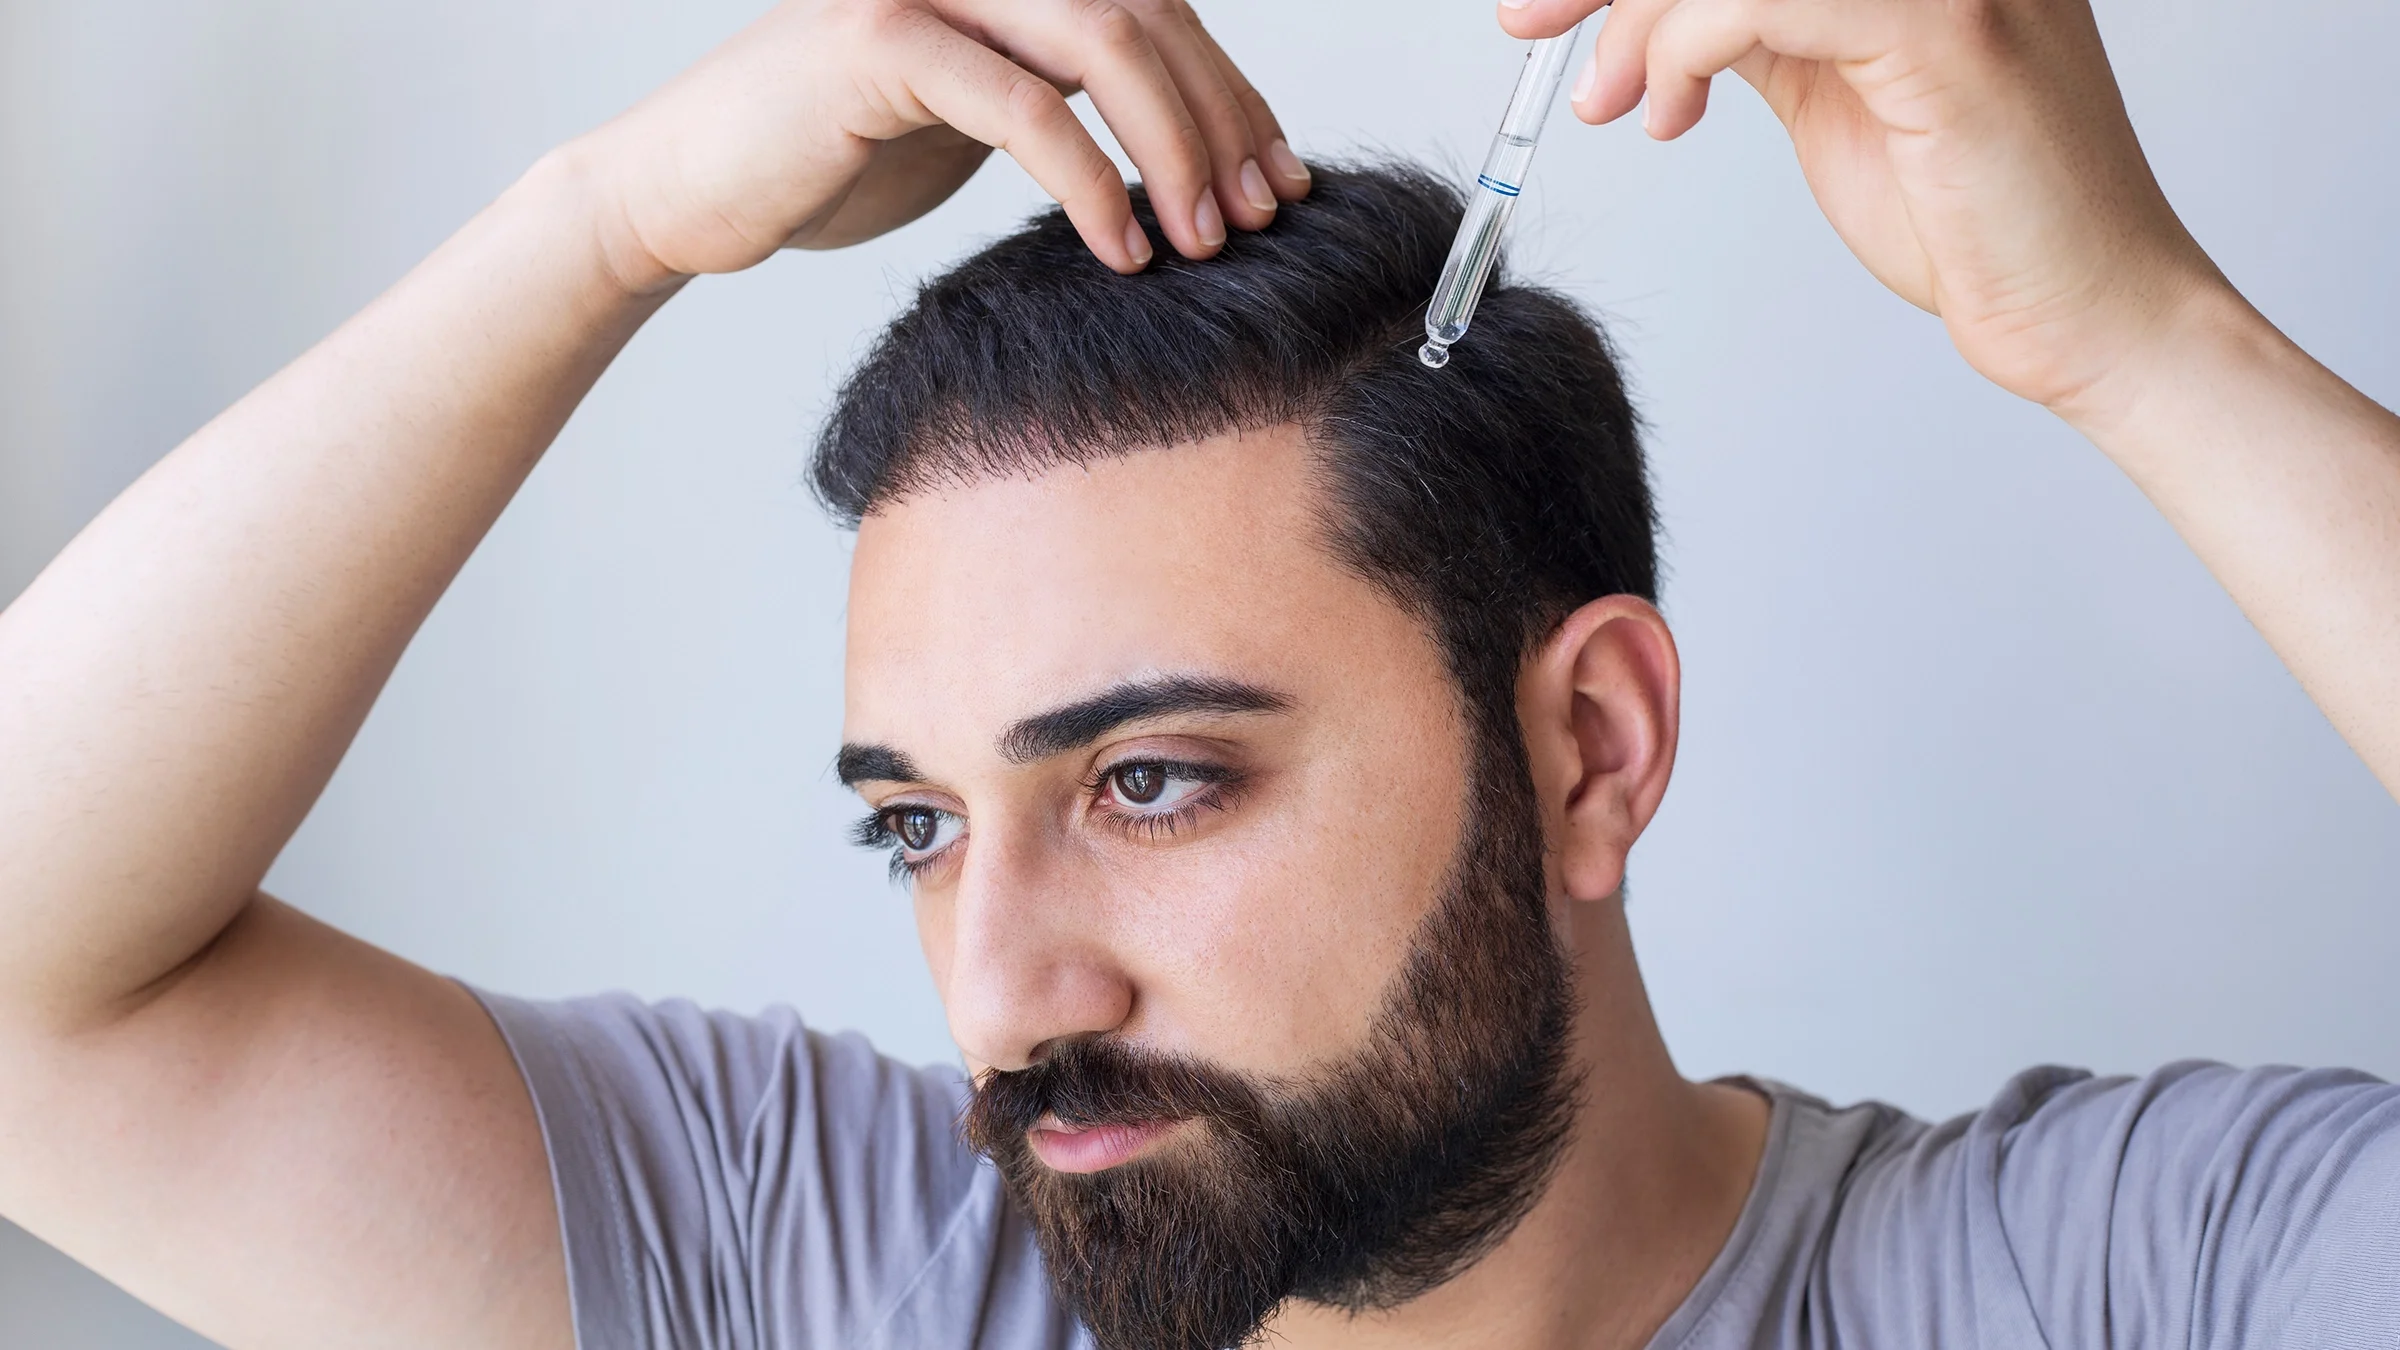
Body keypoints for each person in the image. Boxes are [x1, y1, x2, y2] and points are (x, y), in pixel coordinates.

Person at [0, 0, 2395, 1348]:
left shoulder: (2130, 1288)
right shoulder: (841, 1272)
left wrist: (2136, 337)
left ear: (1590, 744)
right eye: (917, 826)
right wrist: (605, 228)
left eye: (1149, 782)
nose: (1000, 990)